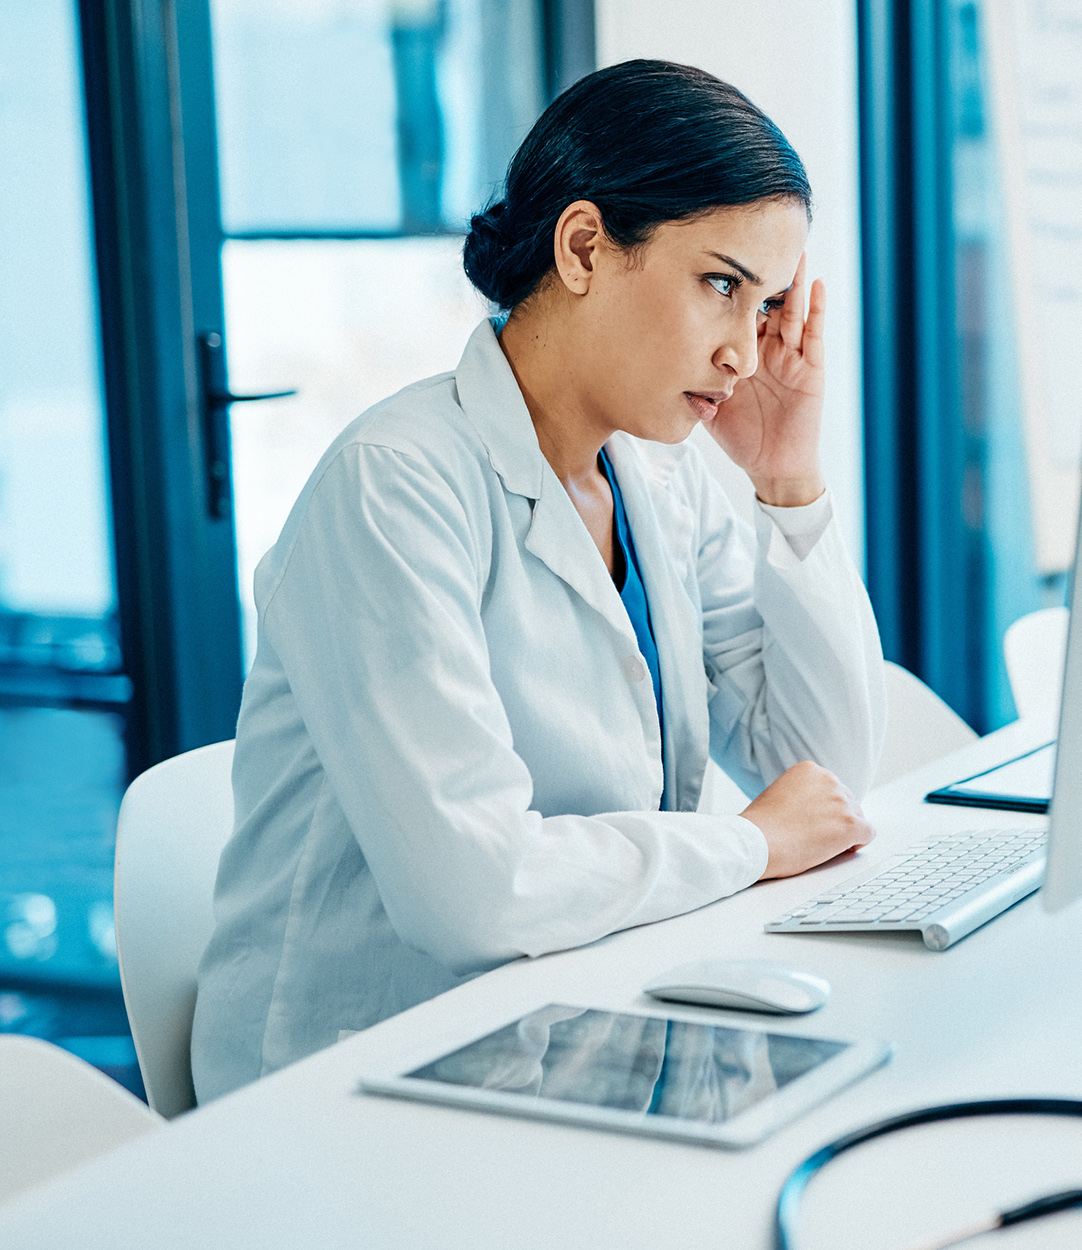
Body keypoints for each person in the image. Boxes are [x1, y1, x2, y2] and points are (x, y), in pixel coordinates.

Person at [191, 60, 885, 1102]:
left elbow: (824, 778)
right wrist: (743, 843)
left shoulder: (659, 477)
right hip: (346, 1082)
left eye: (769, 304)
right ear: (583, 247)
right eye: (722, 285)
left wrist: (787, 477)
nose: (746, 351)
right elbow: (474, 893)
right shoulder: (396, 485)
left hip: (573, 1024)